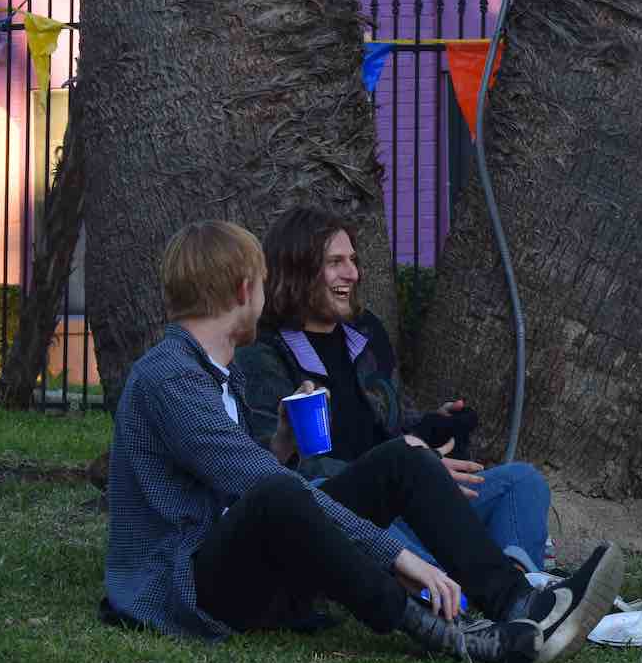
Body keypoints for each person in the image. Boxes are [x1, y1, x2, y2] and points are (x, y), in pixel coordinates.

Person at [103, 220, 623, 663]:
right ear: (243, 291)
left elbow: (236, 483)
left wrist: (281, 442)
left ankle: (520, 603)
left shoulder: (220, 372)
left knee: (403, 459)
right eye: (260, 285)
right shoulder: (170, 378)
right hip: (188, 587)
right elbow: (261, 491)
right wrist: (398, 556)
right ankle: (452, 637)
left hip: (243, 562)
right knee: (279, 492)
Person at [235, 207, 551, 575]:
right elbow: (272, 463)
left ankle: (518, 582)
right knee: (382, 521)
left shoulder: (365, 333)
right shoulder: (264, 352)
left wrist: (436, 425)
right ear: (297, 269)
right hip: (351, 508)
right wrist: (405, 469)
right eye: (335, 262)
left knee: (522, 481)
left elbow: (395, 425)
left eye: (353, 260)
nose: (352, 273)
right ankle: (473, 586)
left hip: (412, 495)